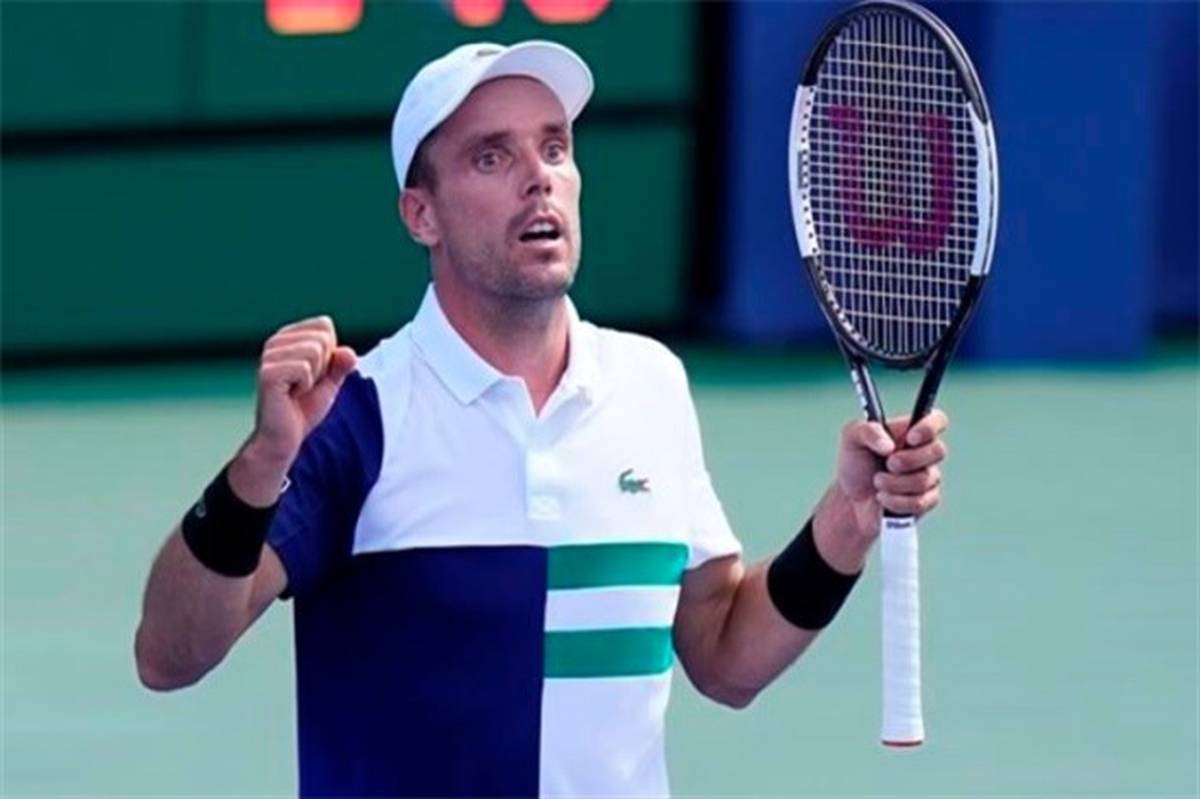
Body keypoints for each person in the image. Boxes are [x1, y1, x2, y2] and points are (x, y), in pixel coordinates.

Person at [134, 40, 949, 798]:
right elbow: (169, 656)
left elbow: (725, 655)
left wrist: (847, 519)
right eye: (492, 157)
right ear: (421, 215)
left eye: (555, 148)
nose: (539, 179)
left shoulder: (650, 385)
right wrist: (260, 465)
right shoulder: (359, 411)